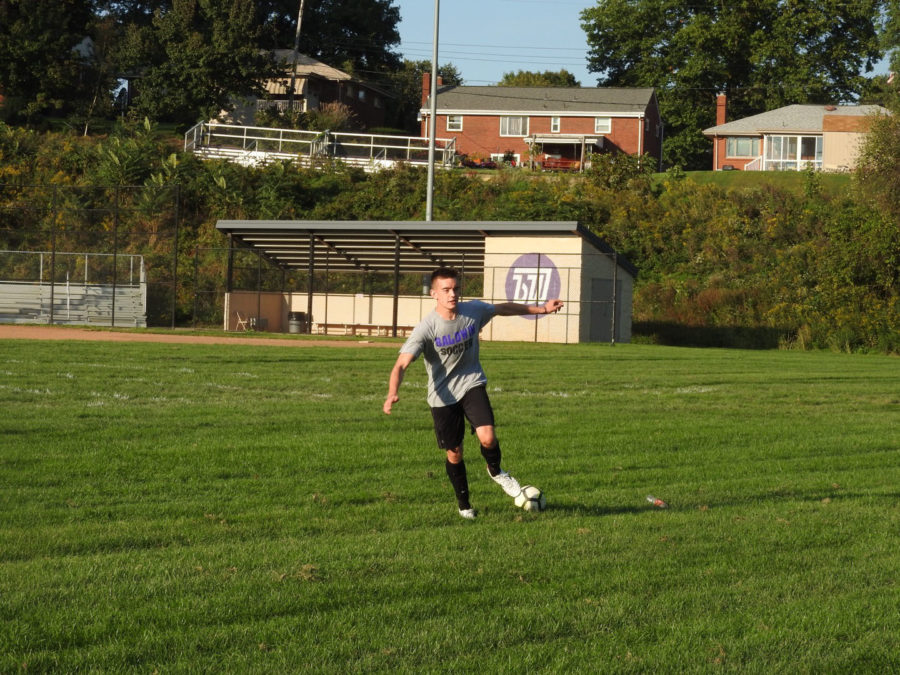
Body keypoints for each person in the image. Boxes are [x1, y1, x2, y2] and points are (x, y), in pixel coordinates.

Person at [382, 267, 564, 519]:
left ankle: (497, 471)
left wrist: (542, 309)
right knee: (454, 453)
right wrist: (393, 392)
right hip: (442, 396)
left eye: (456, 288)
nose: (452, 294)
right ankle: (464, 504)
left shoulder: (473, 311)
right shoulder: (426, 329)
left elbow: (502, 308)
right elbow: (400, 364)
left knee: (488, 437)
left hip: (471, 383)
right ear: (434, 293)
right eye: (446, 290)